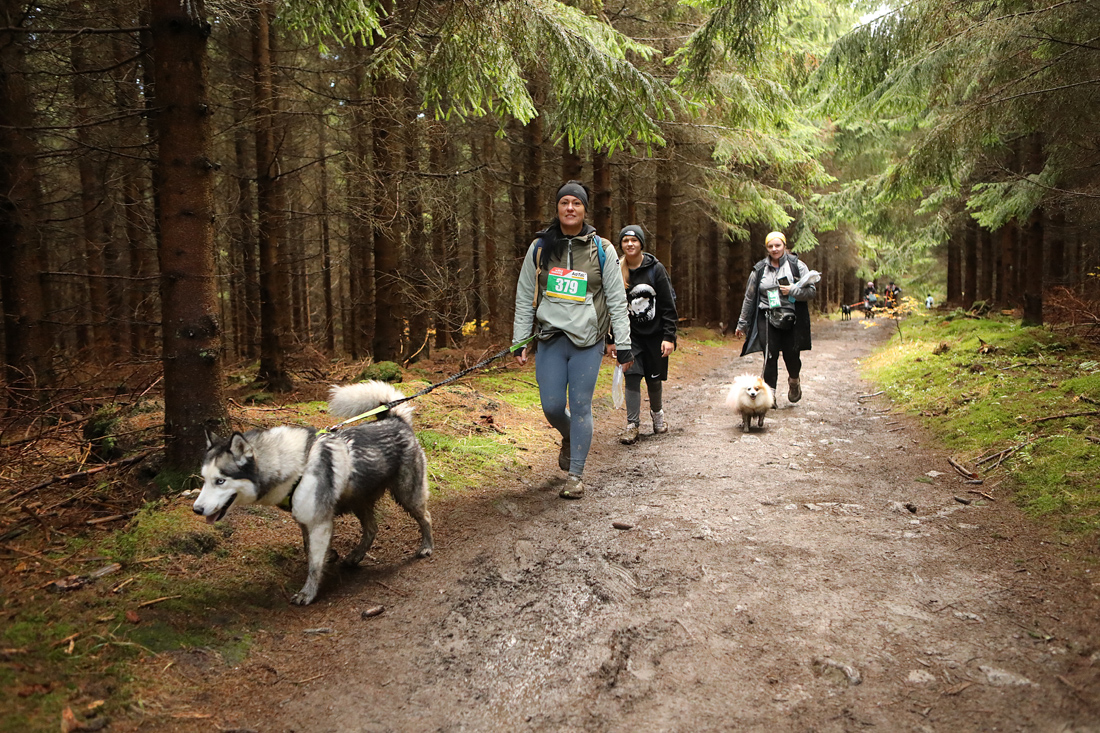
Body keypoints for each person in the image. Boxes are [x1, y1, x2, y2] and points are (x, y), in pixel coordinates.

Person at [513, 181, 633, 499]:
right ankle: (570, 436)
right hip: (550, 338)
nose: (570, 208)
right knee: (552, 406)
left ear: (584, 209)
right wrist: (520, 340)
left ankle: (576, 475)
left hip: (587, 342)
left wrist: (623, 344)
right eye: (564, 202)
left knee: (581, 406)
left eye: (576, 203)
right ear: (557, 208)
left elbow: (616, 300)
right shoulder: (540, 248)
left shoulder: (603, 250)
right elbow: (525, 295)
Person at [734, 231, 816, 405]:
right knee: (769, 356)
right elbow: (749, 297)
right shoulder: (759, 269)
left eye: (778, 245)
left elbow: (811, 292)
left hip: (792, 317)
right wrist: (742, 323)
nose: (774, 249)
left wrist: (792, 290)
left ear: (784, 246)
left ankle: (794, 381)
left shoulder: (797, 266)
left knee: (791, 356)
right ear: (766, 248)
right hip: (767, 316)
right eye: (770, 246)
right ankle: (770, 397)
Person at [616, 225, 677, 445]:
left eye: (634, 240)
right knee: (632, 376)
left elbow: (668, 304)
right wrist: (612, 340)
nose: (630, 244)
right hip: (630, 336)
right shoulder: (617, 269)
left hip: (655, 335)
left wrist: (669, 336)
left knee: (654, 378)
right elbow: (612, 307)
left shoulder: (655, 269)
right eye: (625, 241)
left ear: (641, 243)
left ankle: (657, 414)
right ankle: (632, 425)